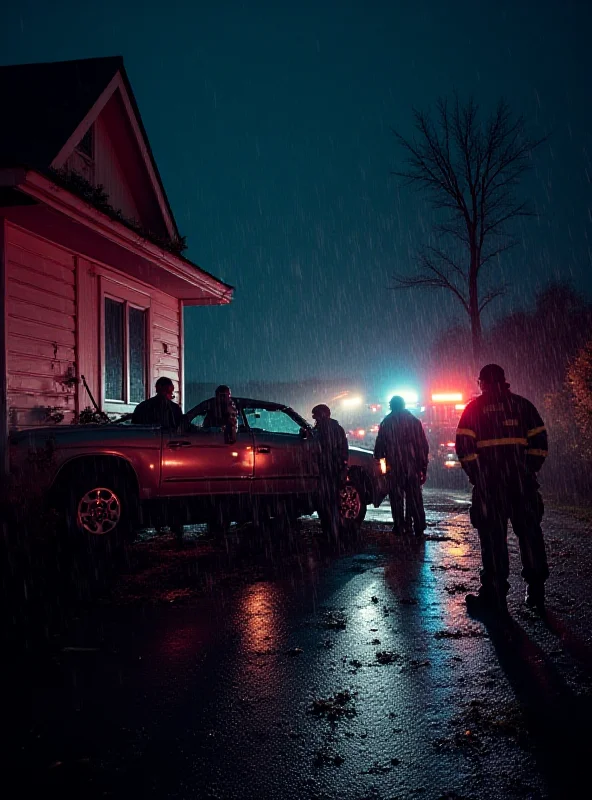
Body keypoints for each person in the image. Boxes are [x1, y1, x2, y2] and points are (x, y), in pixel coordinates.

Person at [455, 364, 549, 616]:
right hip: (522, 486)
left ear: (481, 383)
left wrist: (480, 476)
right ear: (504, 381)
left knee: (493, 540)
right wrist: (526, 471)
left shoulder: (473, 410)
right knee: (529, 534)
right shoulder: (522, 405)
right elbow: (540, 442)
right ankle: (536, 590)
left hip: (490, 489)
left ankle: (495, 594)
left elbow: (464, 448)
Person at [132, 377, 184, 543]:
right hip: (169, 457)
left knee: (153, 492)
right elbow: (181, 430)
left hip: (149, 458)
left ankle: (158, 523)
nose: (168, 396)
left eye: (169, 393)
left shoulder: (143, 408)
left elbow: (135, 431)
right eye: (169, 392)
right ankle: (175, 527)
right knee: (173, 494)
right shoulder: (173, 409)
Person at [374, 395, 429, 536]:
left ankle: (399, 526)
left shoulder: (386, 422)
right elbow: (423, 446)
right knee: (414, 496)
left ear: (391, 406)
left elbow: (379, 448)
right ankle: (418, 525)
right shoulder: (414, 421)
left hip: (395, 467)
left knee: (396, 498)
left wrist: (383, 464)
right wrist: (422, 467)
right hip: (412, 466)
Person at [312, 404, 348, 538]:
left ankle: (330, 531)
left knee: (325, 502)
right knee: (333, 501)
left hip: (326, 469)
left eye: (315, 415)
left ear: (321, 415)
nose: (313, 418)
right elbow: (344, 449)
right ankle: (336, 530)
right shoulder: (337, 428)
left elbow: (317, 447)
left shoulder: (321, 429)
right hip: (335, 469)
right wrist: (343, 466)